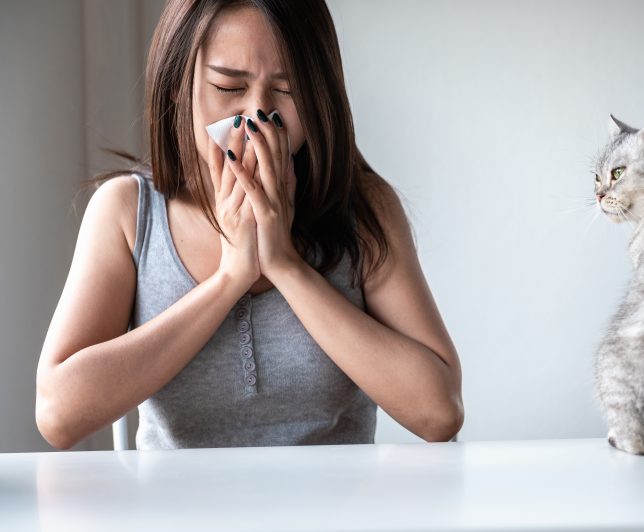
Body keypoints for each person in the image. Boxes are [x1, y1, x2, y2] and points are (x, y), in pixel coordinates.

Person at [36, 0, 463, 450]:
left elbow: (440, 413)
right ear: (180, 85)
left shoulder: (364, 210)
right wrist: (230, 279)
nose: (256, 117)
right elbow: (59, 415)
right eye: (228, 86)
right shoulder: (127, 212)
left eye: (288, 90)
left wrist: (285, 265)